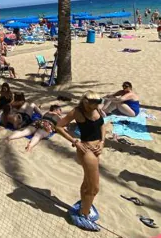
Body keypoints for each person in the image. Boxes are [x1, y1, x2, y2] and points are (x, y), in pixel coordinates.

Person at [55, 91, 106, 232]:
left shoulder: (96, 108)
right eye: (93, 103)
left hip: (96, 150)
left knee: (87, 183)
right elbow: (58, 126)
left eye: (97, 102)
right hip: (87, 151)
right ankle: (84, 214)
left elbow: (102, 125)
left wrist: (102, 142)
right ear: (85, 102)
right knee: (94, 188)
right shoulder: (77, 112)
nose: (96, 105)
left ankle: (84, 206)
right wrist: (75, 141)